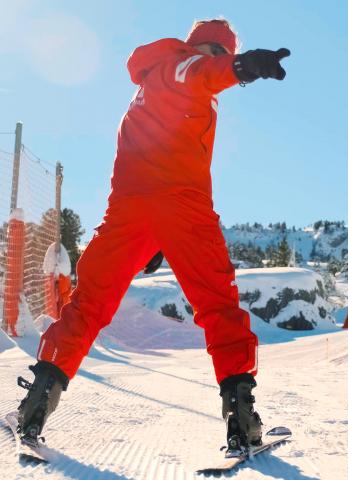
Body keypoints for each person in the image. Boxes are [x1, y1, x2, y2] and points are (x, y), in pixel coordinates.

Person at [15, 18, 290, 455]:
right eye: (218, 51)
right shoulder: (182, 67)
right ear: (204, 47)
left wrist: (152, 235)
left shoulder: (154, 79)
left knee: (86, 306)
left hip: (130, 210)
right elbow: (199, 74)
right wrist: (241, 67)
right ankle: (242, 424)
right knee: (218, 306)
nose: (218, 62)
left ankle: (33, 410)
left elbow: (156, 144)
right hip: (182, 206)